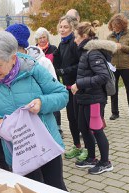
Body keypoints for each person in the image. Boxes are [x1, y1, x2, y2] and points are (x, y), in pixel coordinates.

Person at [0, 31, 69, 190]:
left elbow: (62, 95)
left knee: (56, 189)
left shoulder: (34, 70)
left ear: (13, 58)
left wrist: (42, 103)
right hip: (19, 151)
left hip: (45, 144)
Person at [71, 22, 116, 174]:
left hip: (95, 99)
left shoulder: (93, 53)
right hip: (85, 98)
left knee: (97, 130)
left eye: (76, 37)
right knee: (83, 128)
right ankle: (91, 158)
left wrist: (80, 84)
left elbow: (102, 76)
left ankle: (105, 162)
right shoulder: (86, 51)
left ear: (83, 36)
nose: (75, 40)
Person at [54, 15, 87, 161]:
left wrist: (64, 71)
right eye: (61, 26)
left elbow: (81, 64)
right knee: (71, 119)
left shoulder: (75, 43)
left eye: (65, 27)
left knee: (81, 120)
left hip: (79, 87)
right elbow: (57, 61)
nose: (62, 29)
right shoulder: (62, 44)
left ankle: (87, 148)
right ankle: (77, 146)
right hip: (67, 88)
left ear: (72, 28)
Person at [107, 13, 129, 120]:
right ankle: (114, 112)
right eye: (113, 26)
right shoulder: (109, 36)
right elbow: (106, 51)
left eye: (117, 25)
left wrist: (122, 47)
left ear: (122, 25)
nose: (114, 28)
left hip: (127, 66)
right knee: (113, 89)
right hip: (113, 66)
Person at [34, 26, 63, 137]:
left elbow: (58, 64)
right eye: (40, 38)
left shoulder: (53, 49)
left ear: (48, 38)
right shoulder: (33, 50)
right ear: (37, 40)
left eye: (44, 37)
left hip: (52, 79)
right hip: (38, 82)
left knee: (53, 103)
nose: (42, 40)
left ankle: (58, 127)